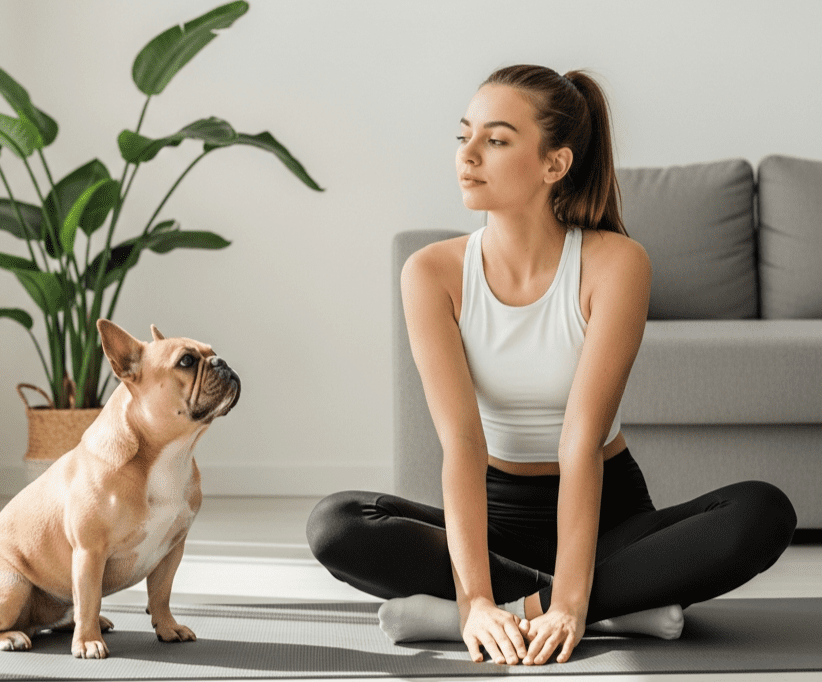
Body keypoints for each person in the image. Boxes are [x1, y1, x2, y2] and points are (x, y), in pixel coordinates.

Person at [305, 64, 797, 667]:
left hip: (606, 514)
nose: (469, 155)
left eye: (497, 139)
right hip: (492, 514)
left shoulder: (616, 263)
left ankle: (507, 613)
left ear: (554, 164)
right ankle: (617, 605)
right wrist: (476, 594)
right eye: (465, 136)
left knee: (762, 511)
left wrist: (565, 600)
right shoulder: (430, 272)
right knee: (336, 524)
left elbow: (580, 442)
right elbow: (460, 442)